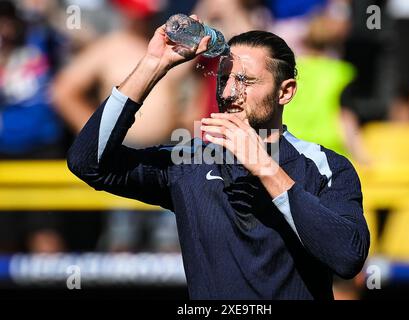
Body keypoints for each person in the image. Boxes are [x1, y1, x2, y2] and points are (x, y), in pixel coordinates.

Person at [67, 16, 370, 299]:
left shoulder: (325, 166)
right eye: (223, 79)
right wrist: (153, 65)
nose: (228, 93)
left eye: (246, 81)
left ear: (285, 92)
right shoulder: (191, 161)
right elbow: (87, 163)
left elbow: (347, 257)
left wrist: (266, 168)